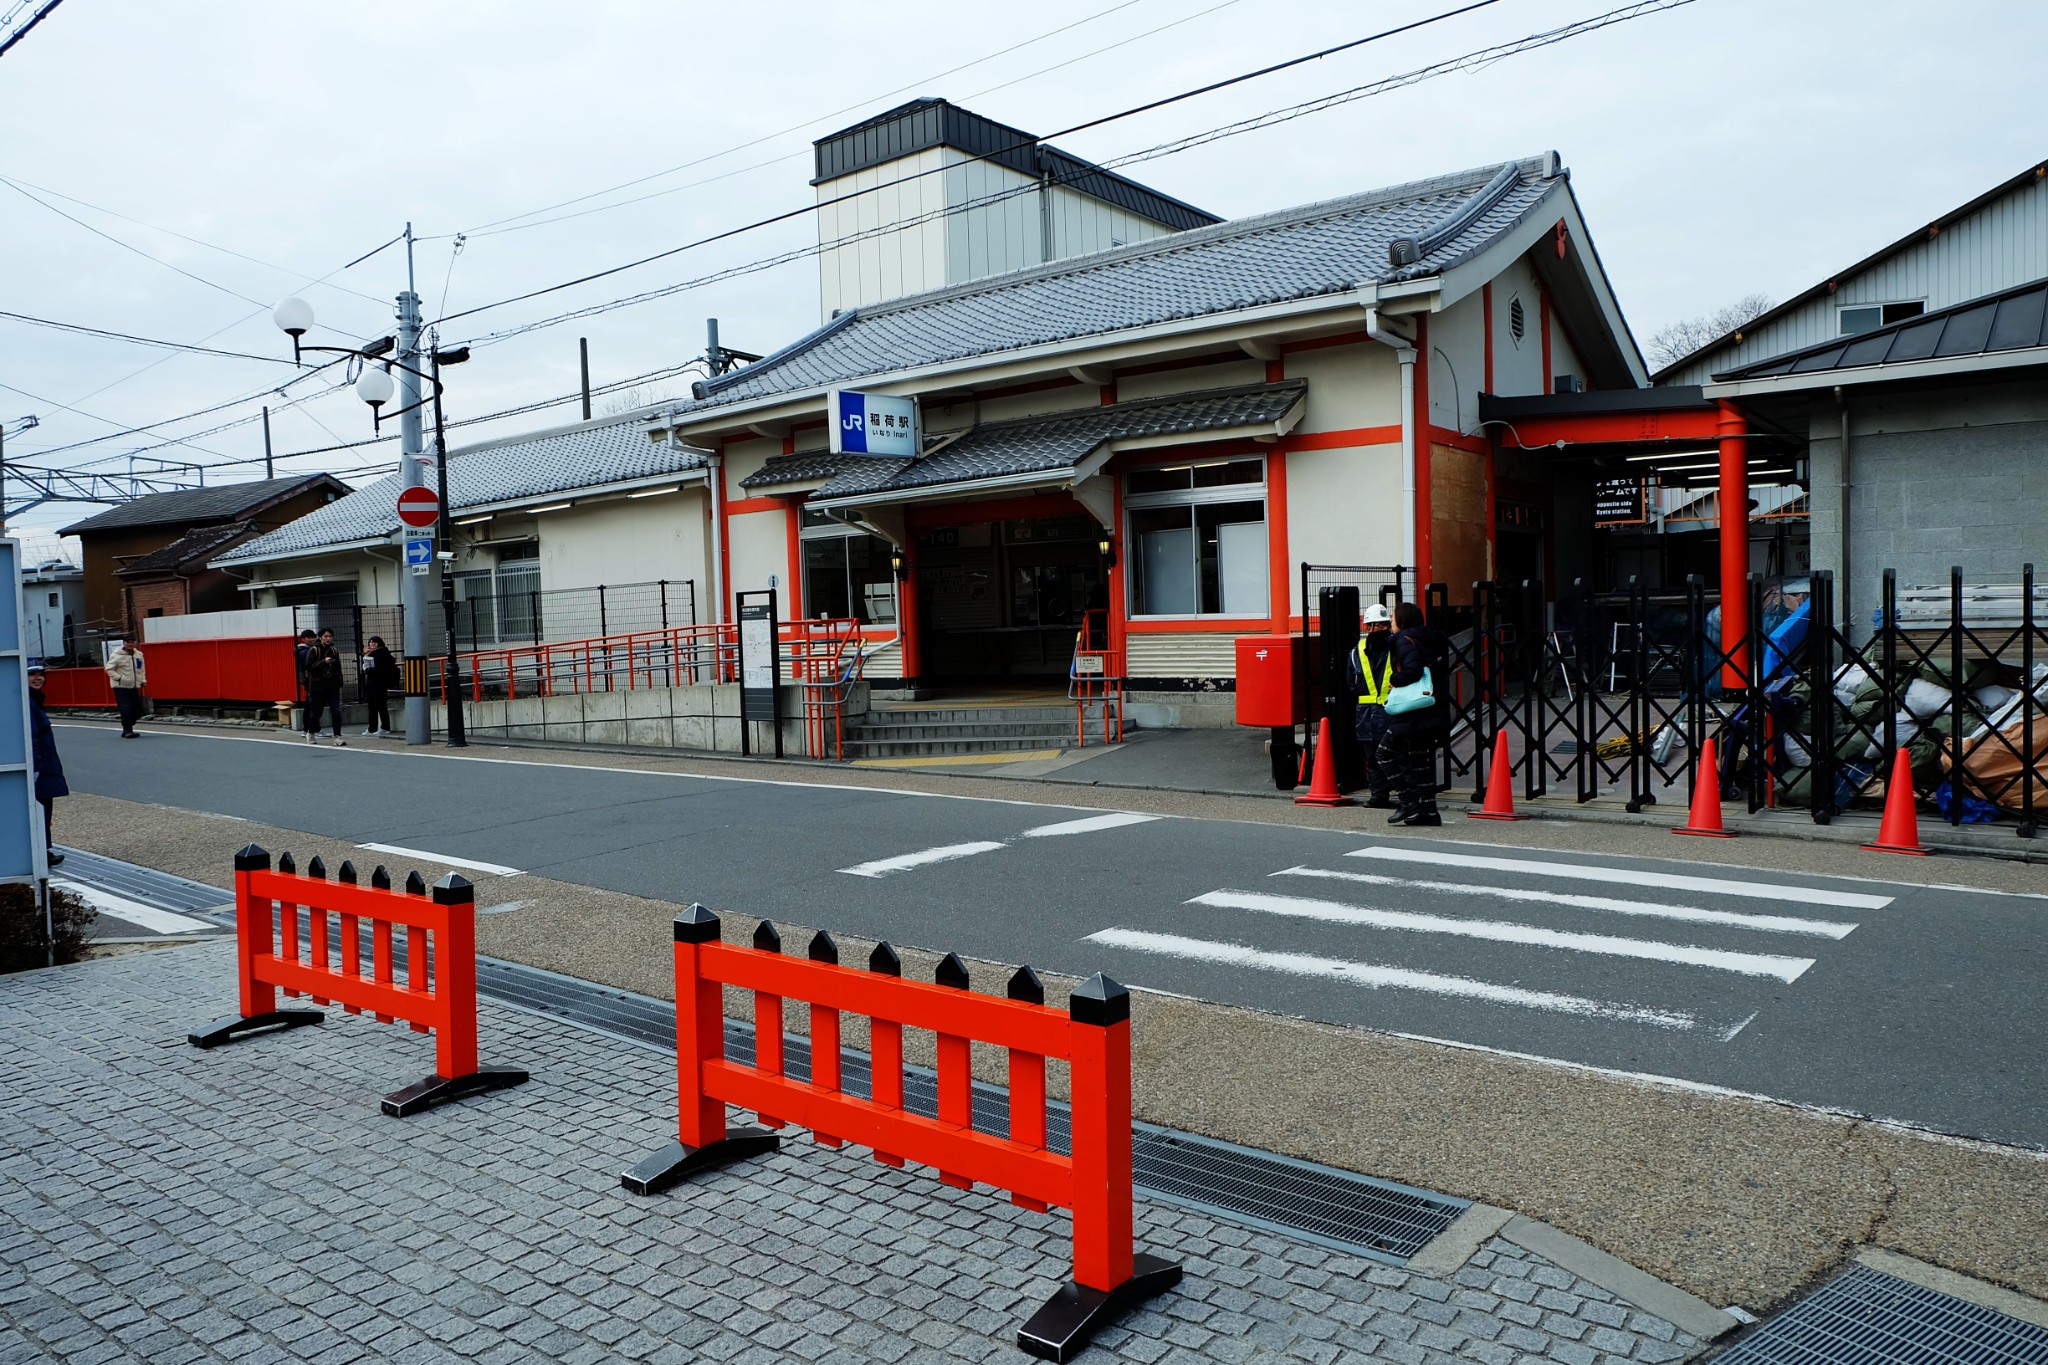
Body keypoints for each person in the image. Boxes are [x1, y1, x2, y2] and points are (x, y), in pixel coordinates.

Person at [1376, 601, 1449, 827]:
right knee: (1420, 761)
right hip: (1428, 710)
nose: (1390, 622)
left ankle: (1408, 801)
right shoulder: (1426, 638)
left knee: (1383, 753)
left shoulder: (1403, 640)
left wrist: (1393, 681)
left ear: (1403, 621)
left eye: (1393, 618)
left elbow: (1412, 670)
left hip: (1412, 713)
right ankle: (1429, 811)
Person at [1344, 602, 1397, 808]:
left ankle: (1402, 793)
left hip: (1390, 711)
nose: (1384, 629)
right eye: (1379, 625)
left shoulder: (1396, 647)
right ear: (1368, 627)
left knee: (1395, 755)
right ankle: (1379, 795)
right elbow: (1351, 682)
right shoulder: (1356, 652)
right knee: (1372, 758)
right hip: (1367, 714)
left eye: (1386, 625)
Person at [26, 662, 66, 867]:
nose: (38, 678)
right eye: (32, 675)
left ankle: (42, 848)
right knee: (40, 806)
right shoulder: (27, 703)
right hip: (39, 765)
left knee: (41, 805)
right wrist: (34, 767)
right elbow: (31, 736)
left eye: (41, 674)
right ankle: (42, 850)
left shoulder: (34, 701)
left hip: (42, 763)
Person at [303, 628, 347, 745]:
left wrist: (339, 682)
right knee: (317, 712)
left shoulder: (334, 650)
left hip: (332, 686)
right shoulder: (314, 650)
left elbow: (338, 667)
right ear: (320, 637)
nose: (328, 639)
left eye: (330, 636)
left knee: (336, 711)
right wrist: (323, 662)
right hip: (317, 687)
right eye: (325, 636)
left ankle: (337, 736)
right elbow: (308, 666)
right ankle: (311, 732)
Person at [103, 633, 146, 738]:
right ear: (124, 643)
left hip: (134, 685)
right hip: (120, 686)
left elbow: (141, 669)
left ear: (135, 643)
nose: (130, 644)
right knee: (125, 708)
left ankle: (128, 726)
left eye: (132, 642)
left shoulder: (138, 654)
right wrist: (118, 678)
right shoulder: (117, 655)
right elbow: (108, 668)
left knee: (137, 709)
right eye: (128, 642)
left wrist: (143, 680)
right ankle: (127, 730)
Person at [360, 635, 399, 737]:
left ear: (379, 643)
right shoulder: (380, 653)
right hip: (378, 684)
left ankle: (379, 727)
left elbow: (375, 669)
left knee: (377, 706)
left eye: (374, 642)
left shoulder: (380, 654)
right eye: (370, 642)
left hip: (378, 683)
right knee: (378, 706)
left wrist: (366, 668)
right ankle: (378, 727)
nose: (372, 644)